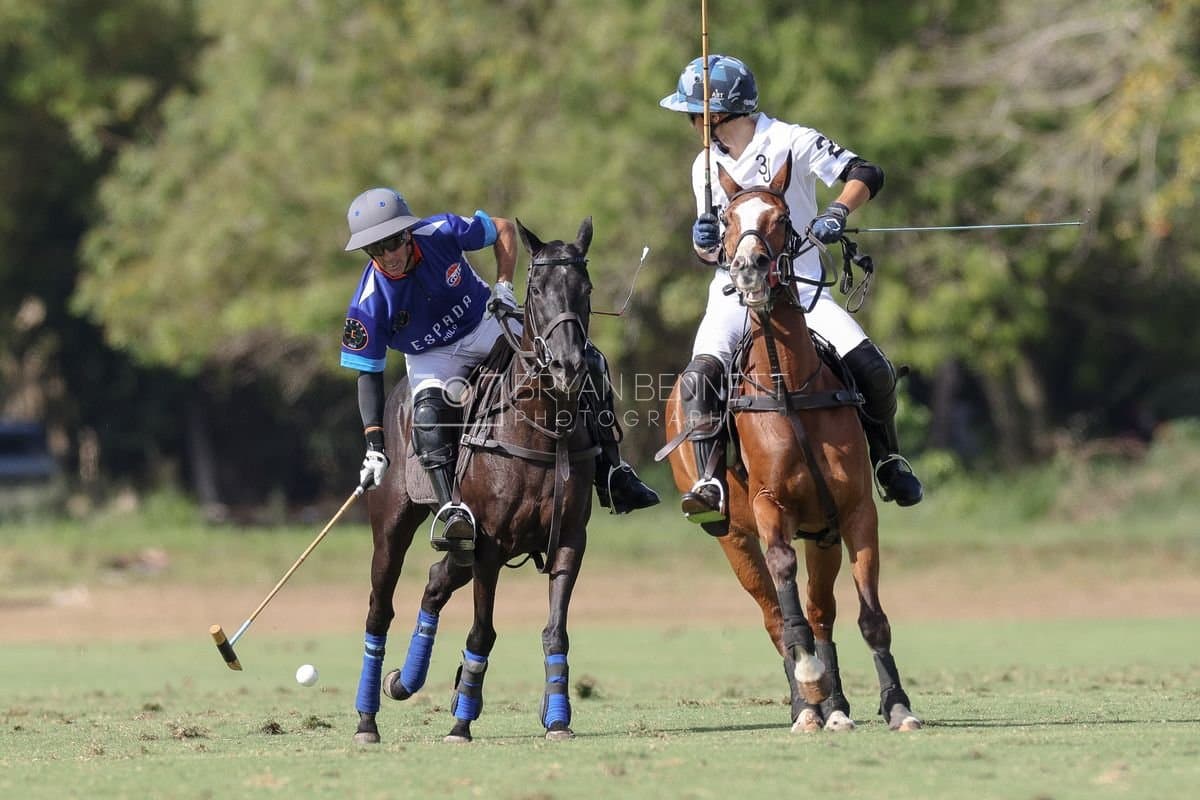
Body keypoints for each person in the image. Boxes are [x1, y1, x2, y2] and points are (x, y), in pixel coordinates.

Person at [658, 55, 923, 525]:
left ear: (719, 113)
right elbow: (712, 250)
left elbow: (866, 173)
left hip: (800, 287)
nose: (690, 122)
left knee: (872, 367)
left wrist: (837, 212)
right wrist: (704, 244)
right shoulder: (705, 162)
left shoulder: (792, 140)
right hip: (733, 290)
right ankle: (709, 483)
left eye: (693, 113)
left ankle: (887, 460)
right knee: (699, 379)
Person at [339, 188, 657, 554]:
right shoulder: (369, 301)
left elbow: (504, 229)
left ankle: (612, 472)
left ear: (407, 232)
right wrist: (375, 446)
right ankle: (451, 511)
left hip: (485, 323)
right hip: (431, 355)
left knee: (589, 361)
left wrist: (504, 286)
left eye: (392, 242)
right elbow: (367, 372)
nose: (386, 255)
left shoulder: (440, 231)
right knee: (426, 417)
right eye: (374, 249)